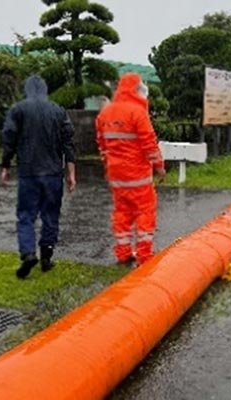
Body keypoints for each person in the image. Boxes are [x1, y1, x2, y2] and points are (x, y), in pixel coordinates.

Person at [1, 75, 76, 279]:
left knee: (26, 215)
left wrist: (6, 165)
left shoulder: (18, 110)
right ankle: (46, 256)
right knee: (50, 215)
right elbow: (68, 142)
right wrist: (71, 172)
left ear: (27, 89)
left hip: (29, 172)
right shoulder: (58, 111)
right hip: (52, 173)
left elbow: (9, 138)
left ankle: (28, 253)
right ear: (45, 90)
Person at [96, 73, 166, 267]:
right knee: (145, 211)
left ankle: (123, 252)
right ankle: (144, 254)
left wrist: (108, 165)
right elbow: (149, 143)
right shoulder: (137, 112)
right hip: (137, 174)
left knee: (122, 212)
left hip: (116, 174)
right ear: (135, 89)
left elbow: (102, 145)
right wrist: (159, 166)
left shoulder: (105, 113)